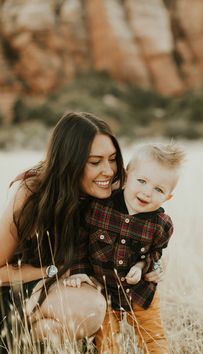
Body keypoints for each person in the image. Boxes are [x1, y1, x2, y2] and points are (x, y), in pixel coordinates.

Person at [0, 112, 160, 350]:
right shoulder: (30, 193)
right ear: (69, 162)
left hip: (56, 294)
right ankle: (9, 335)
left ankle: (24, 344)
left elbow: (153, 234)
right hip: (15, 291)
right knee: (89, 306)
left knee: (79, 313)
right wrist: (54, 271)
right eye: (95, 162)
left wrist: (150, 266)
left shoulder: (118, 192)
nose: (108, 171)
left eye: (113, 159)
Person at [65, 142, 185, 353]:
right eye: (142, 181)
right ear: (127, 176)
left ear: (168, 197)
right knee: (108, 343)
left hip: (140, 293)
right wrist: (79, 272)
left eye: (158, 189)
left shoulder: (161, 224)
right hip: (103, 293)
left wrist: (142, 267)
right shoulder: (99, 207)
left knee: (153, 340)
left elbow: (155, 252)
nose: (147, 192)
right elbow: (80, 243)